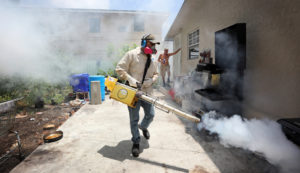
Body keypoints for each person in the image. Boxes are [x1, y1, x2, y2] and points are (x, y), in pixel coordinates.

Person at [115, 34, 159, 157]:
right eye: (152, 43)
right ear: (144, 43)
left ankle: (143, 126)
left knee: (151, 114)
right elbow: (119, 69)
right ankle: (136, 141)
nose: (154, 46)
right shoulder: (131, 54)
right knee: (134, 118)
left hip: (147, 92)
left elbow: (156, 73)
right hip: (133, 93)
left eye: (155, 44)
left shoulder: (153, 58)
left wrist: (151, 81)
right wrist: (133, 81)